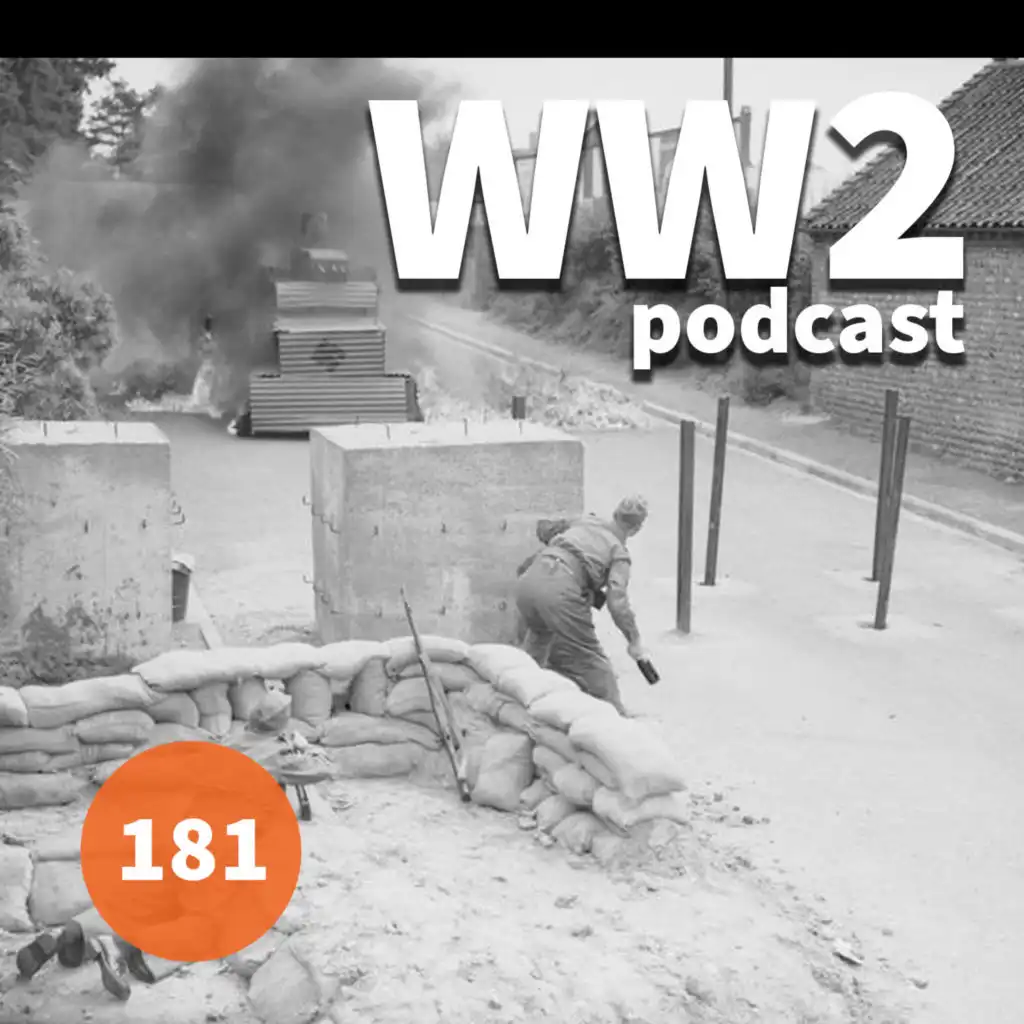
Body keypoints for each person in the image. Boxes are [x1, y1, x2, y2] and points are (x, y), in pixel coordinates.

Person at [514, 495, 651, 714]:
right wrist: (634, 640)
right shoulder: (619, 553)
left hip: (528, 580)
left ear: (615, 514)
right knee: (592, 660)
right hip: (560, 591)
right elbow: (618, 602)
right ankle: (617, 718)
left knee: (537, 643)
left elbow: (545, 529)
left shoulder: (586, 521)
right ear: (636, 529)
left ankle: (517, 700)